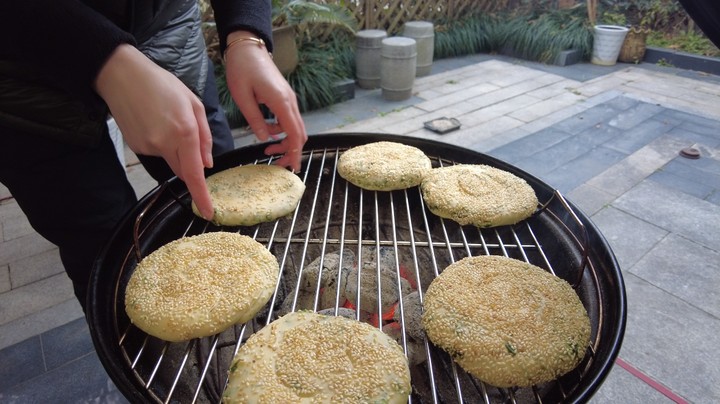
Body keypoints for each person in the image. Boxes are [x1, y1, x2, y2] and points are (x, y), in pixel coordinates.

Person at [0, 0, 308, 311]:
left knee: (216, 184)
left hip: (165, 32)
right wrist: (106, 59)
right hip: (21, 72)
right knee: (105, 248)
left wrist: (246, 34)